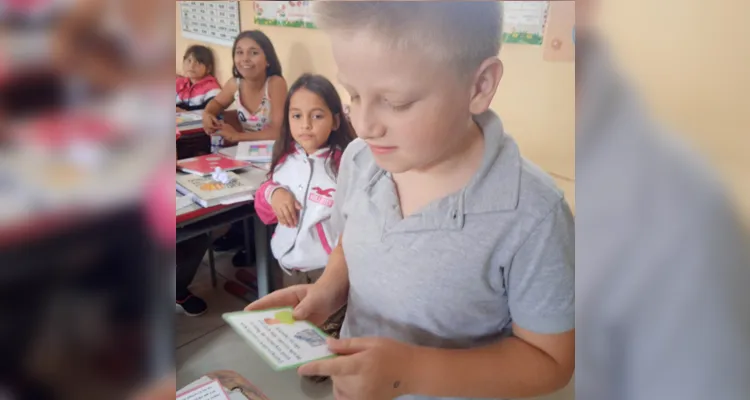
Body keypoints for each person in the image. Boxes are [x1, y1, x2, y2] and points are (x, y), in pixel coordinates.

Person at [247, 3, 574, 400]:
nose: (364, 124)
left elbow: (551, 362)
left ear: (479, 85)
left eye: (396, 102)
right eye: (353, 94)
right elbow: (353, 238)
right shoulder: (360, 159)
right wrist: (331, 289)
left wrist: (408, 374)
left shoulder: (534, 215)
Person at [254, 73, 354, 287]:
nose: (305, 125)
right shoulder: (284, 157)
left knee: (326, 321)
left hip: (326, 271)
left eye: (317, 116)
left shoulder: (345, 165)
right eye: (296, 116)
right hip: (288, 265)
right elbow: (264, 209)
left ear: (335, 121)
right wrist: (273, 193)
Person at [201, 30, 287, 142]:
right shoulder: (235, 84)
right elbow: (217, 103)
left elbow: (277, 132)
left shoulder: (275, 83)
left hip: (274, 152)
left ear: (268, 60)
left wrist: (237, 136)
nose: (245, 59)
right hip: (246, 152)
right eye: (240, 52)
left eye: (254, 53)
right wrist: (207, 113)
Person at [176, 45, 221, 112]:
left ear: (208, 68)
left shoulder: (212, 89)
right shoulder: (180, 82)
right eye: (189, 60)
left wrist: (183, 111)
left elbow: (208, 113)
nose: (192, 66)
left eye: (198, 62)